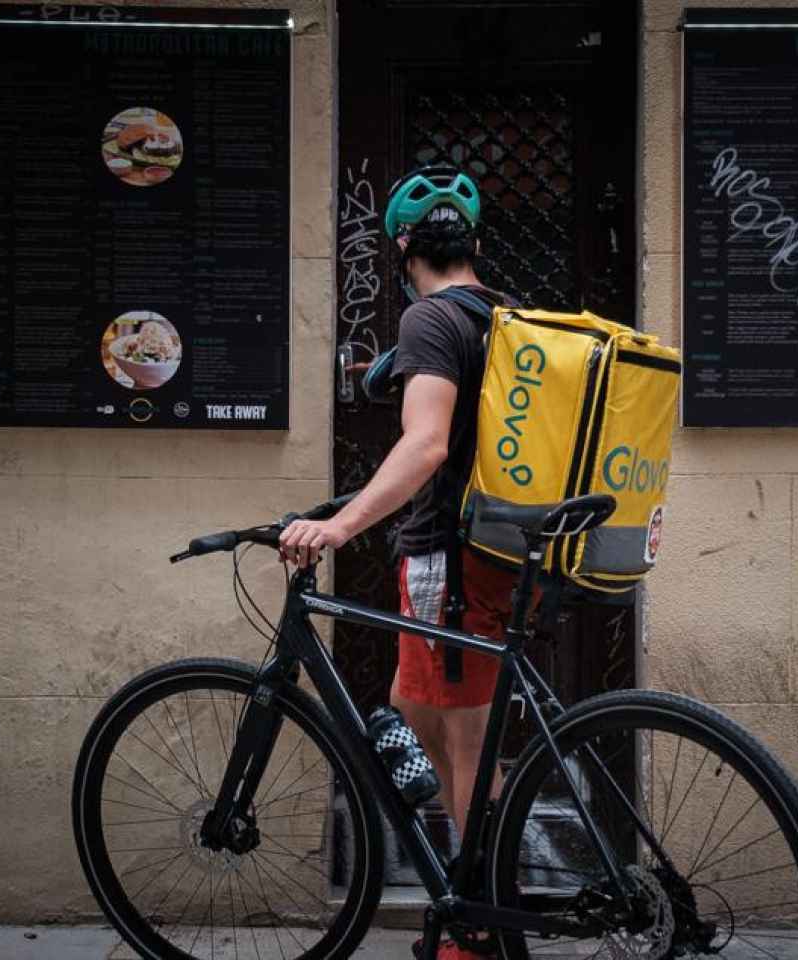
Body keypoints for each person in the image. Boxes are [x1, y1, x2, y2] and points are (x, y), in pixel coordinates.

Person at [280, 165, 518, 952]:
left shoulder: (429, 321)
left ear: (403, 247)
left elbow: (427, 444)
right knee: (404, 723)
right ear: (475, 242)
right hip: (502, 552)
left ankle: (473, 931)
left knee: (462, 753)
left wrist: (341, 526)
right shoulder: (506, 318)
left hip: (449, 556)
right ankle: (463, 900)